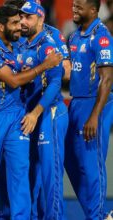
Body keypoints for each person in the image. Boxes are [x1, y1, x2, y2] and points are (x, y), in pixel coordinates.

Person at [0, 5, 62, 219]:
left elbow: (21, 74)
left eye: (21, 21)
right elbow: (13, 79)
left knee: (20, 175)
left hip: (16, 116)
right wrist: (43, 67)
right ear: (1, 26)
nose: (19, 26)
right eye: (14, 23)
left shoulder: (17, 46)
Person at [19, 2, 69, 219]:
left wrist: (36, 113)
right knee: (31, 176)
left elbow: (56, 83)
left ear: (40, 19)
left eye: (28, 17)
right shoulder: (23, 44)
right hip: (31, 114)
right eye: (21, 17)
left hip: (49, 113)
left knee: (51, 177)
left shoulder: (47, 45)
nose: (22, 21)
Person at [65, 0, 113, 219]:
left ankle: (96, 216)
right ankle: (99, 215)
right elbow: (72, 72)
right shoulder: (73, 37)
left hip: (96, 103)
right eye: (73, 5)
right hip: (76, 103)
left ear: (93, 10)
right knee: (69, 160)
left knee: (91, 165)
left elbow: (107, 79)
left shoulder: (102, 37)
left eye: (79, 6)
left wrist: (95, 115)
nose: (74, 8)